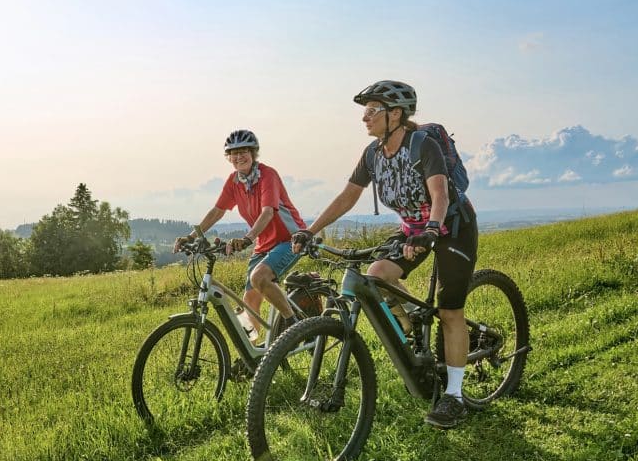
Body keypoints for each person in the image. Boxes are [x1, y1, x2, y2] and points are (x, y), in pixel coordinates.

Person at [292, 81, 478, 429]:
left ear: (395, 114)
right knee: (377, 275)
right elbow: (347, 197)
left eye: (372, 110)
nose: (365, 118)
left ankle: (453, 398)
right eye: (365, 111)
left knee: (451, 310)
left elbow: (439, 194)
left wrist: (432, 230)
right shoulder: (372, 154)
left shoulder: (423, 144)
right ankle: (413, 325)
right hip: (411, 229)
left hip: (451, 225)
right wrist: (310, 230)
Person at [174, 129, 307, 337]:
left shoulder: (267, 175)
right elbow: (217, 211)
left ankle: (295, 327)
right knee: (250, 302)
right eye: (234, 153)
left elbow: (268, 212)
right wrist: (191, 236)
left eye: (244, 151)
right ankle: (253, 357)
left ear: (253, 153)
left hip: (290, 239)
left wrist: (247, 238)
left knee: (260, 277)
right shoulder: (234, 182)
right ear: (229, 158)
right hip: (264, 243)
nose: (239, 157)